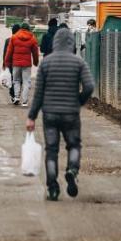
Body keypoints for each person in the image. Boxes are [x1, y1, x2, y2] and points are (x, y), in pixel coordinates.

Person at [26, 28, 95, 201]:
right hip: (71, 113)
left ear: (55, 42)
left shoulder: (46, 62)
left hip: (49, 114)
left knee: (51, 151)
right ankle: (72, 170)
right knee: (73, 145)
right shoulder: (78, 62)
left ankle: (53, 188)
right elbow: (89, 86)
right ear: (72, 43)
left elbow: (39, 93)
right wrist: (79, 101)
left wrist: (32, 116)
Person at [3, 22, 40, 106]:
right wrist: (36, 62)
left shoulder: (14, 37)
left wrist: (6, 62)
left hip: (16, 63)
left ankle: (16, 97)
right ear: (28, 29)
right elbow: (35, 52)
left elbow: (9, 51)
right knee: (26, 81)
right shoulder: (32, 38)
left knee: (16, 80)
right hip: (27, 64)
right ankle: (25, 101)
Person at [2, 24, 21, 102]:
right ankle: (17, 95)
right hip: (20, 62)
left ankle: (13, 95)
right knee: (19, 79)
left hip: (11, 63)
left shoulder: (8, 40)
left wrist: (4, 63)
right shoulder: (22, 39)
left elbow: (5, 53)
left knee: (12, 78)